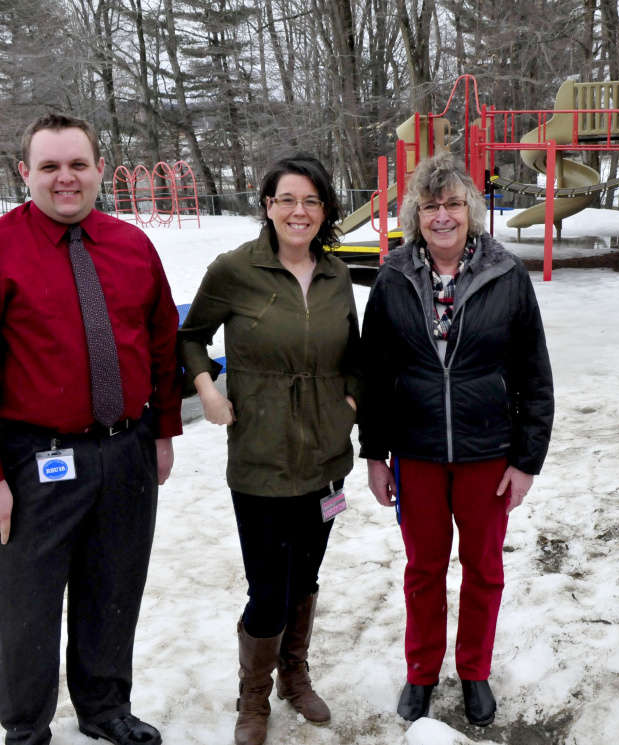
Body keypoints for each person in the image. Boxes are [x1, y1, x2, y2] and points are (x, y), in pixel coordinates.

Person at [0, 112, 183, 745]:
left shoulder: (132, 247)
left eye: (78, 164)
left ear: (101, 169)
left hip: (125, 452)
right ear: (26, 173)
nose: (65, 178)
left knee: (114, 592)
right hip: (32, 461)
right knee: (26, 610)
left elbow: (160, 344)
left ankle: (104, 709)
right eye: (49, 166)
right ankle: (27, 728)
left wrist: (162, 431)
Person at [359, 151, 554, 727]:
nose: (441, 216)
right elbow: (374, 375)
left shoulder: (506, 276)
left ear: (469, 209)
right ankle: (421, 674)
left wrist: (526, 460)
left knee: (483, 567)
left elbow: (534, 376)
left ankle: (474, 671)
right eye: (429, 206)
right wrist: (374, 454)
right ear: (414, 216)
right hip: (415, 452)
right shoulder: (392, 277)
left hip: (487, 453)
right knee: (423, 570)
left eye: (451, 204)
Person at [178, 154, 361, 745]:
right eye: (286, 199)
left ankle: (294, 676)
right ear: (267, 206)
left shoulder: (336, 276)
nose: (298, 211)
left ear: (325, 210)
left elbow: (354, 357)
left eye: (310, 201)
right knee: (268, 588)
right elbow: (188, 336)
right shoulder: (236, 270)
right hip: (259, 458)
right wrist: (207, 388)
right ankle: (252, 699)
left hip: (327, 458)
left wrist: (351, 404)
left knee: (306, 576)